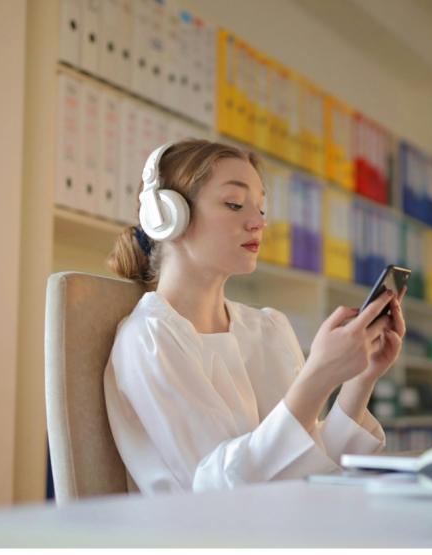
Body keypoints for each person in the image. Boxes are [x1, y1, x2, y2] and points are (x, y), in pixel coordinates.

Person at [104, 139, 407, 495]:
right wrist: (319, 376)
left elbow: (312, 466)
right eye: (234, 204)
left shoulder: (268, 328)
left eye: (261, 209)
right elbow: (220, 493)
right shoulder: (150, 339)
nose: (258, 223)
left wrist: (361, 378)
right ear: (167, 216)